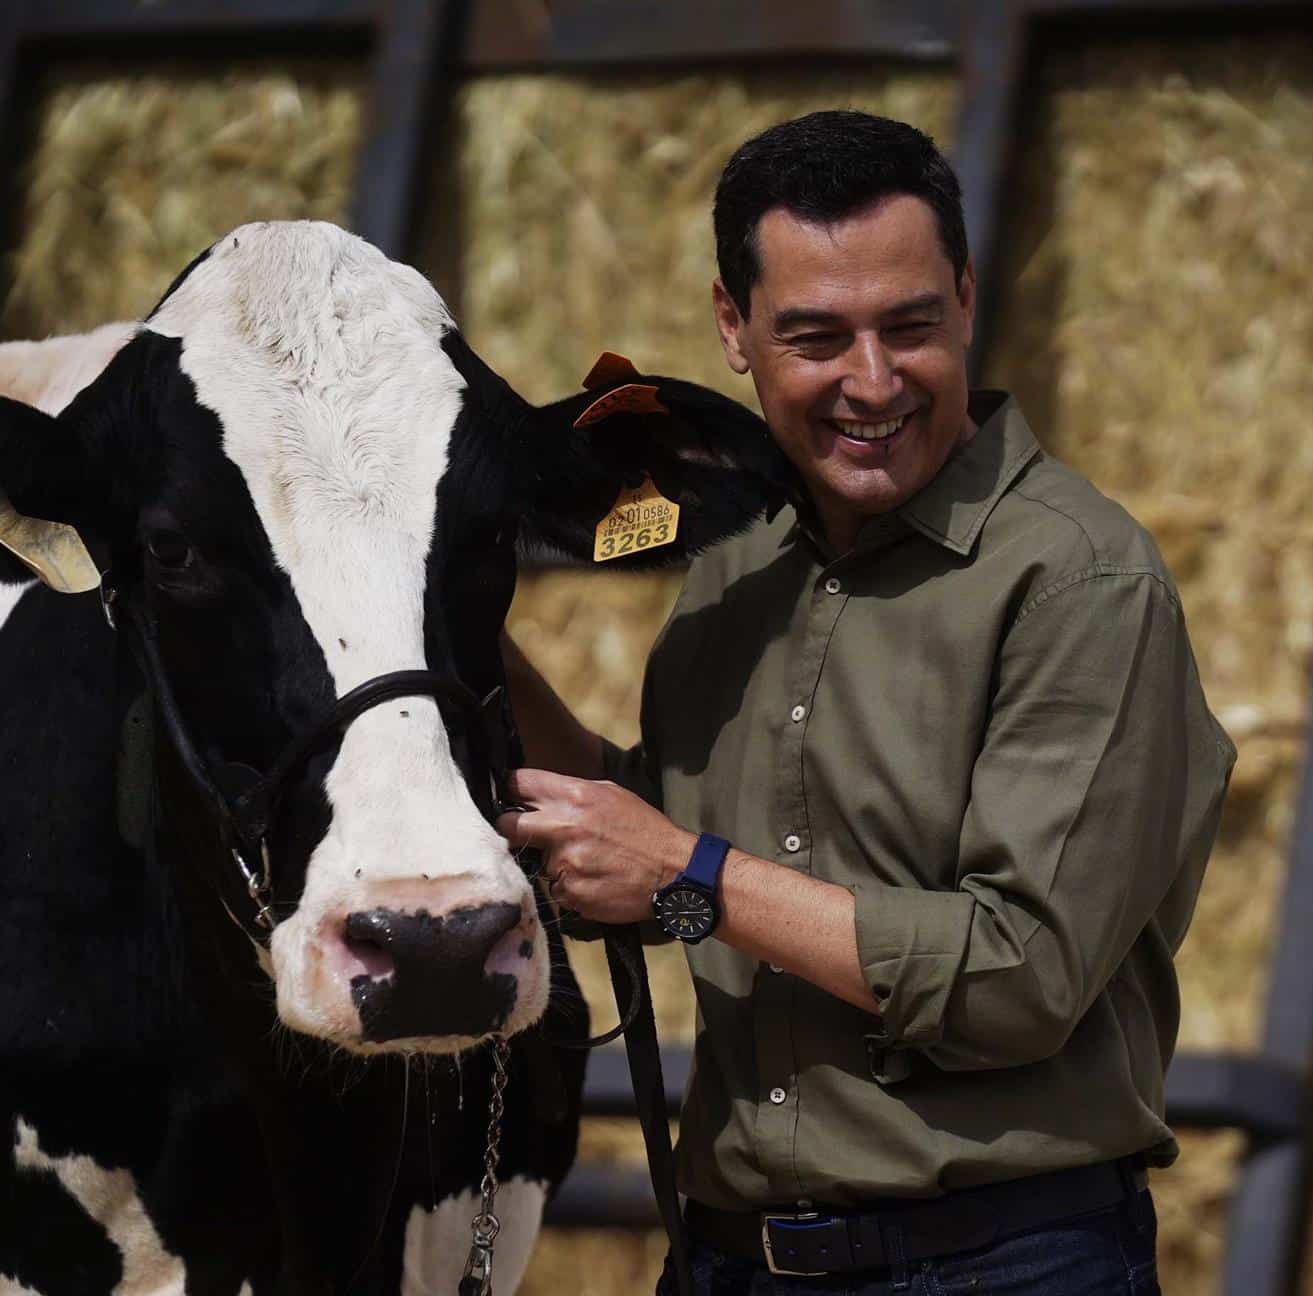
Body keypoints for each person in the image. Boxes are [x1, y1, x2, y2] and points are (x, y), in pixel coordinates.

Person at [497, 110, 1236, 1296]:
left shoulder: (1082, 581)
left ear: (968, 297)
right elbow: (676, 893)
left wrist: (687, 873)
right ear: (733, 332)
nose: (873, 382)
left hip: (1004, 1265)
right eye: (816, 337)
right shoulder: (733, 569)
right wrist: (471, 638)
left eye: (910, 327)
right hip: (734, 1263)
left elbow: (1020, 977)